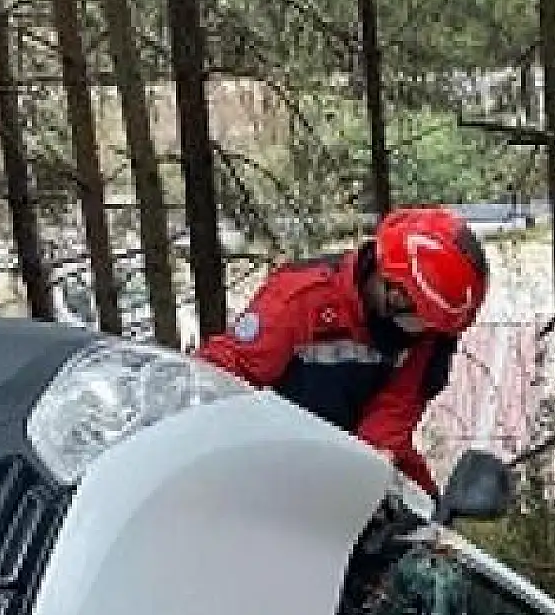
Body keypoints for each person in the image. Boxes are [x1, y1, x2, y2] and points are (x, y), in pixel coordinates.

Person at [197, 206, 490, 496]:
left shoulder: (431, 333)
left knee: (427, 519)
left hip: (350, 467)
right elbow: (223, 374)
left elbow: (391, 418)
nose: (427, 333)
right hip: (273, 460)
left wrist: (365, 476)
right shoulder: (300, 301)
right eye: (424, 321)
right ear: (396, 293)